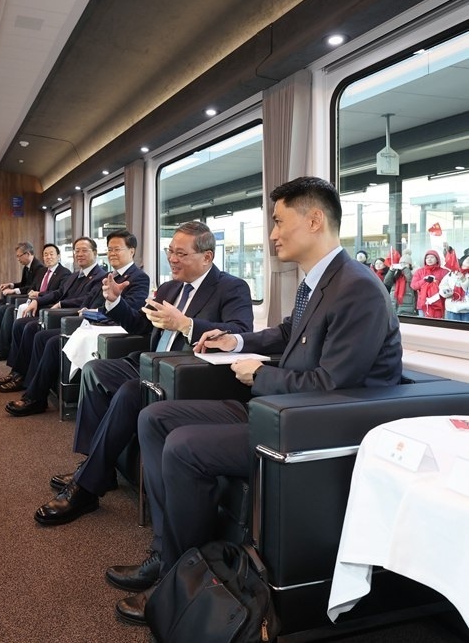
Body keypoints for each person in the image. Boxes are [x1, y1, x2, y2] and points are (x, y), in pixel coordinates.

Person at [108, 177, 402, 625]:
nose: (273, 234)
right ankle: (169, 554)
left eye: (279, 222)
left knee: (183, 446)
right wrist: (235, 340)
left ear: (315, 220)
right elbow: (286, 334)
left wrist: (261, 374)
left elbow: (330, 386)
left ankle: (178, 582)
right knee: (154, 418)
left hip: (309, 427)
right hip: (277, 410)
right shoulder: (317, 283)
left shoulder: (357, 288)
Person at [34, 221, 253, 524]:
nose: (172, 259)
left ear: (207, 257)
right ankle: (96, 466)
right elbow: (140, 325)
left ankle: (86, 488)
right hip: (147, 362)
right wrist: (115, 301)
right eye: (170, 251)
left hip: (183, 374)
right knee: (95, 370)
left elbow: (240, 332)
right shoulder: (169, 288)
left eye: (181, 254)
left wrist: (186, 324)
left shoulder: (231, 287)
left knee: (130, 391)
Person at [4, 229, 150, 416]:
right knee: (41, 337)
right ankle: (31, 388)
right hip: (87, 323)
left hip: (108, 329)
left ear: (132, 251)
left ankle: (34, 398)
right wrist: (86, 309)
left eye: (117, 249)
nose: (112, 253)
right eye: (110, 249)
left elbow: (130, 310)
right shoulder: (109, 276)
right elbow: (89, 299)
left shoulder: (139, 278)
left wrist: (97, 311)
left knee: (52, 342)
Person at [0, 243, 71, 364]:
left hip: (47, 307)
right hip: (32, 302)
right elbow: (31, 287)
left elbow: (58, 293)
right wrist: (32, 292)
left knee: (15, 316)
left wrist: (39, 295)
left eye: (51, 254)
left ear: (58, 256)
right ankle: (10, 356)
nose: (48, 257)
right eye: (45, 255)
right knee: (10, 315)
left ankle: (9, 356)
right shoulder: (42, 271)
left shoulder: (65, 273)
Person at [0, 242, 45, 350]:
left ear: (27, 254)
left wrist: (13, 291)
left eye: (19, 256)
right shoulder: (27, 267)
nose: (18, 259)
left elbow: (30, 288)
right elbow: (23, 284)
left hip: (30, 299)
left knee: (5, 309)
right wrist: (11, 285)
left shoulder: (38, 267)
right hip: (24, 296)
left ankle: (1, 348)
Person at [410, 249, 447, 318]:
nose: (429, 259)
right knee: (423, 324)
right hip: (423, 304)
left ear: (437, 259)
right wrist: (424, 280)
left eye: (432, 257)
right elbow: (413, 286)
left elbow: (447, 286)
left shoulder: (444, 272)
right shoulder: (419, 271)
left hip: (438, 304)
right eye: (427, 258)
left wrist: (436, 282)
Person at [439, 254, 469, 321]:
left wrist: (462, 278)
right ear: (462, 260)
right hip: (452, 307)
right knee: (453, 327)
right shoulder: (452, 273)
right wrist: (446, 292)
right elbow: (443, 285)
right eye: (468, 259)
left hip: (467, 309)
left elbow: (466, 289)